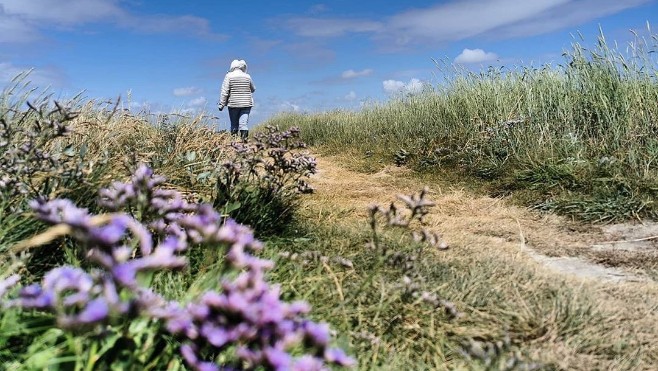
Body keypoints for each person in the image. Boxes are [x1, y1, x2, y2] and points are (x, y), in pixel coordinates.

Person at [217, 59, 255, 141]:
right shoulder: (247, 76)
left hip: (233, 104)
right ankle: (244, 144)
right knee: (243, 124)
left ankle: (234, 145)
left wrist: (221, 104)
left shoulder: (229, 76)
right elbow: (253, 89)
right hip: (246, 104)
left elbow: (224, 92)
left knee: (234, 125)